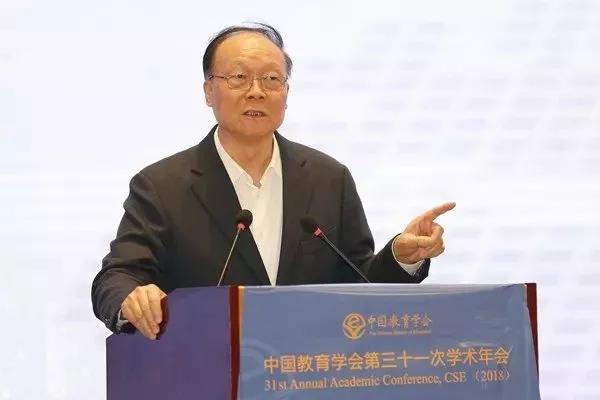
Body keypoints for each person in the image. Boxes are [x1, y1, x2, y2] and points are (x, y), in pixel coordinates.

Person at [91, 23, 455, 340]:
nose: (256, 91)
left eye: (271, 79)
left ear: (286, 93)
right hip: (207, 369)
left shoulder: (329, 179)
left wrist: (400, 258)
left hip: (311, 373)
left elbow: (358, 283)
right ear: (208, 91)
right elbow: (117, 276)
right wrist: (131, 299)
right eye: (238, 77)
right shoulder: (162, 186)